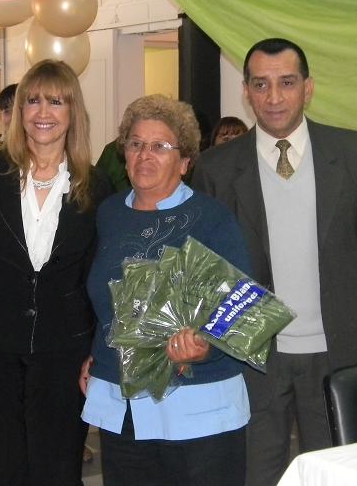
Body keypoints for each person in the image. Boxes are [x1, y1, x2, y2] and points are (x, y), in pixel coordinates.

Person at [192, 37, 357, 486]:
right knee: (256, 472)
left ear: (308, 88)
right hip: (254, 353)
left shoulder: (352, 152)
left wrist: (336, 290)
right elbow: (208, 261)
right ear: (246, 91)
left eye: (287, 82)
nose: (274, 97)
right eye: (261, 84)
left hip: (334, 348)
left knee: (334, 472)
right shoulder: (216, 168)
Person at [0, 60, 111, 486]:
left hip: (63, 354)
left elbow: (99, 280)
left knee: (57, 470)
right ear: (18, 111)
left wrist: (98, 354)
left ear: (73, 113)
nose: (43, 112)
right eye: (33, 100)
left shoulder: (96, 185)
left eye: (56, 101)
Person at [81, 94, 252, 486]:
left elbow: (242, 308)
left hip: (198, 406)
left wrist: (205, 347)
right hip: (123, 405)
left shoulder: (212, 218)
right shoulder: (108, 214)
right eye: (136, 144)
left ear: (185, 161)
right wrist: (96, 354)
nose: (145, 155)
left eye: (160, 146)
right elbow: (101, 296)